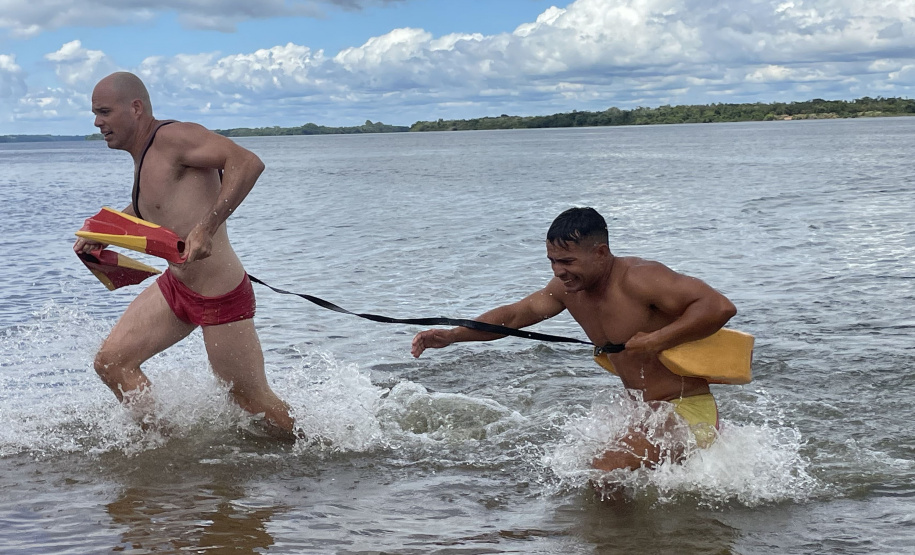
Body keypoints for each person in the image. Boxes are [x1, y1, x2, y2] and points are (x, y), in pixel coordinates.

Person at [411, 207, 737, 471]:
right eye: (552, 261)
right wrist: (453, 336)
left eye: (567, 261)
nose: (557, 271)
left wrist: (658, 340)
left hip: (686, 410)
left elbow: (719, 307)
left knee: (605, 469)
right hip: (641, 409)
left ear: (600, 252)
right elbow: (512, 317)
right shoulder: (568, 291)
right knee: (584, 471)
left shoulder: (641, 278)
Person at [74, 71, 296, 439]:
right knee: (112, 364)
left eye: (104, 112)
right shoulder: (145, 154)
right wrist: (106, 233)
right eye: (94, 114)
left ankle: (315, 453)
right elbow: (157, 206)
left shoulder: (174, 137)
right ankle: (164, 446)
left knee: (250, 400)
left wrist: (207, 227)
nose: (98, 122)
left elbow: (247, 162)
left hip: (219, 294)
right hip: (176, 287)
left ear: (135, 108)